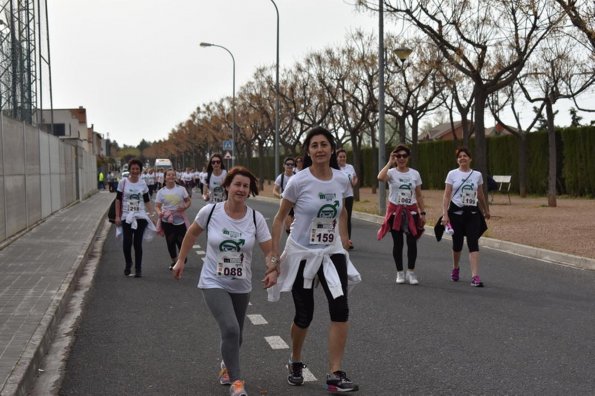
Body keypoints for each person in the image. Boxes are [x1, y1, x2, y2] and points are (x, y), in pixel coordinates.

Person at [269, 126, 361, 393]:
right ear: (308, 152)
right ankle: (295, 360)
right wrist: (274, 256)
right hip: (302, 253)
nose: (320, 149)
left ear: (331, 149)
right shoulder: (298, 181)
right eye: (314, 145)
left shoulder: (342, 179)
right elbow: (279, 217)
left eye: (324, 144)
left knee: (340, 309)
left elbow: (341, 211)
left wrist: (343, 238)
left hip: (331, 252)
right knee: (304, 314)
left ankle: (335, 373)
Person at [172, 166, 277, 396]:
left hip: (241, 284)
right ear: (227, 186)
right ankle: (237, 383)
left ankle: (226, 367)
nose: (241, 189)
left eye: (245, 186)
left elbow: (268, 249)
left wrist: (272, 268)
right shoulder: (210, 212)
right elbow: (191, 233)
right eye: (237, 184)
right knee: (230, 328)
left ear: (249, 191)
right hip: (213, 281)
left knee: (236, 334)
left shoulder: (255, 218)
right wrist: (181, 259)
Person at [377, 145, 426, 285]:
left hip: (411, 211)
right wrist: (389, 162)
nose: (402, 158)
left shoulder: (414, 174)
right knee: (398, 244)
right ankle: (400, 272)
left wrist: (422, 213)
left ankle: (411, 272)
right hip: (395, 212)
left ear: (408, 157)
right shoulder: (391, 172)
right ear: (395, 157)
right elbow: (380, 177)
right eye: (398, 156)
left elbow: (419, 195)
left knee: (412, 242)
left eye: (404, 155)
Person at [441, 147, 491, 287]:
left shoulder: (477, 175)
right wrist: (445, 214)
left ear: (470, 158)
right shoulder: (452, 174)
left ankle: (475, 276)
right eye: (460, 156)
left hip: (473, 213)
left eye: (465, 156)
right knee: (457, 244)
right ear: (457, 160)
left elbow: (480, 194)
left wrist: (486, 210)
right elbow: (446, 195)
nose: (462, 158)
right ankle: (455, 267)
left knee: (473, 243)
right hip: (456, 213)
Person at [115, 159, 157, 278]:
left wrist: (152, 215)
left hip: (140, 216)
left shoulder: (143, 184)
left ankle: (138, 268)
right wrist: (117, 216)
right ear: (129, 170)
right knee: (127, 243)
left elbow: (147, 201)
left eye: (137, 169)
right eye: (133, 169)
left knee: (137, 243)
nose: (135, 171)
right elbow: (118, 200)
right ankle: (128, 263)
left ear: (140, 170)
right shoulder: (123, 182)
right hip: (126, 216)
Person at [155, 169, 191, 270]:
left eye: (173, 175)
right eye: (168, 175)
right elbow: (157, 206)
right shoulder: (161, 192)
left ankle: (182, 257)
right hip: (167, 220)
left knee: (181, 241)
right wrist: (159, 213)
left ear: (175, 177)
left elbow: (188, 201)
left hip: (180, 219)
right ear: (165, 177)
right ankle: (175, 261)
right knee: (170, 241)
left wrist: (185, 207)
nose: (171, 177)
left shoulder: (181, 189)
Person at [336, 149, 358, 249]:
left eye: (344, 156)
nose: (342, 158)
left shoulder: (350, 167)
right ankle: (337, 240)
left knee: (347, 218)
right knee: (337, 218)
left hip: (348, 195)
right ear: (337, 158)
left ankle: (347, 240)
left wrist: (354, 182)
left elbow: (355, 178)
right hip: (337, 196)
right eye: (340, 157)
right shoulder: (334, 168)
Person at [273, 157, 296, 234]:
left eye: (292, 164)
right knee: (288, 226)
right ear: (284, 165)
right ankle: (290, 242)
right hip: (286, 204)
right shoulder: (281, 177)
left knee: (296, 226)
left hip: (297, 204)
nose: (290, 166)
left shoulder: (297, 176)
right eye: (288, 164)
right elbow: (274, 191)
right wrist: (280, 196)